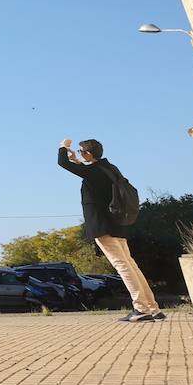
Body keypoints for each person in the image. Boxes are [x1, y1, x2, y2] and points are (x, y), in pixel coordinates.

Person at [57, 138, 164, 322]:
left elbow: (62, 162)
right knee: (130, 264)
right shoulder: (110, 168)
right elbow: (90, 172)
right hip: (118, 224)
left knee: (122, 265)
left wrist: (63, 146)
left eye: (82, 151)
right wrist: (78, 161)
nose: (80, 154)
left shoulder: (92, 172)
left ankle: (140, 308)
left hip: (102, 225)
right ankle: (153, 309)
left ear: (89, 154)